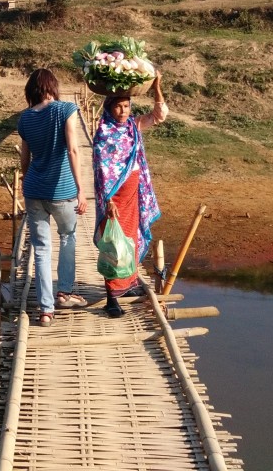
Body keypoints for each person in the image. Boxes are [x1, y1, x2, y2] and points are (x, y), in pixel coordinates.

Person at [92, 73, 168, 318]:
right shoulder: (104, 134)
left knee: (131, 237)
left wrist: (157, 86)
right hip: (114, 197)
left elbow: (159, 115)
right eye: (118, 106)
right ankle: (111, 297)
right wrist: (109, 202)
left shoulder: (134, 126)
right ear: (109, 108)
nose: (123, 111)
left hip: (134, 190)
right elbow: (102, 172)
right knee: (114, 243)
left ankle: (130, 283)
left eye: (126, 106)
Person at [18, 68, 89, 327]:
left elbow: (24, 158)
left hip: (34, 191)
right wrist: (81, 189)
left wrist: (28, 181)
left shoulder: (25, 118)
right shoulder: (65, 109)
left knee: (41, 249)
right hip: (62, 191)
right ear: (53, 87)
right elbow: (72, 149)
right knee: (68, 237)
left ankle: (46, 310)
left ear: (31, 91)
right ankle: (65, 293)